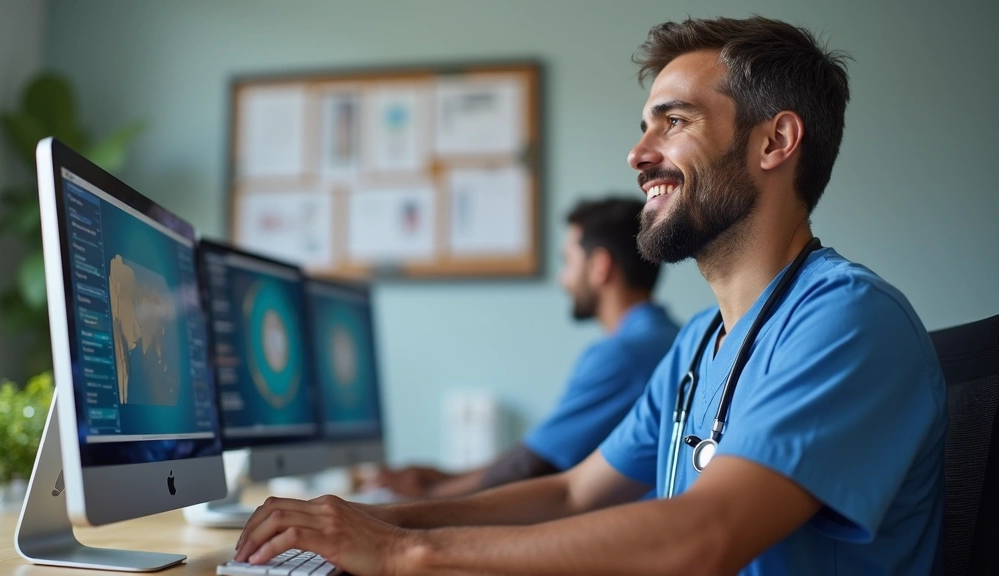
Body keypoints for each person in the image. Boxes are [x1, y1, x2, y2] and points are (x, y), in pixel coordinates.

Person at [233, 16, 947, 575]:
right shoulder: (699, 341)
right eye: (643, 127)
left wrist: (401, 555)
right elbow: (572, 492)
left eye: (674, 120)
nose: (638, 155)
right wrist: (374, 520)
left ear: (774, 142)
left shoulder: (848, 321)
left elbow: (705, 539)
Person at [373, 197, 679, 498]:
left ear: (599, 267)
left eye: (567, 262)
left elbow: (531, 466)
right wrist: (451, 476)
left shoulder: (621, 357)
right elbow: (539, 448)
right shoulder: (672, 338)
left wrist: (430, 495)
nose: (563, 279)